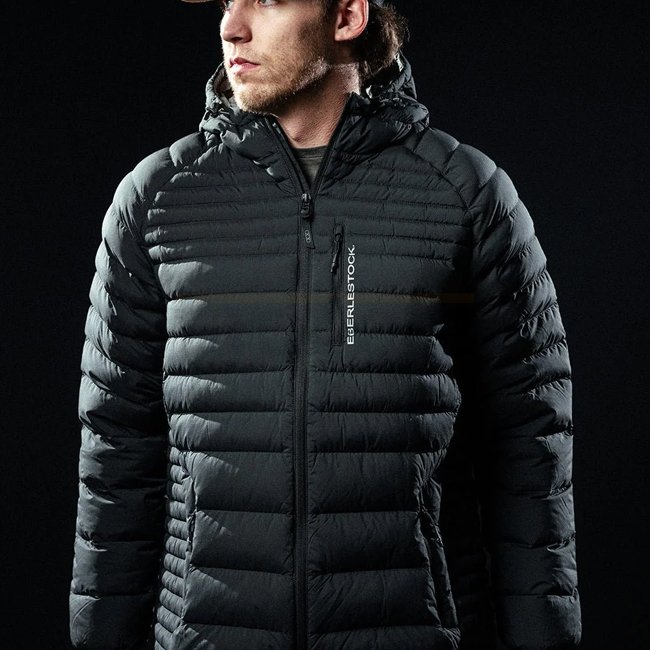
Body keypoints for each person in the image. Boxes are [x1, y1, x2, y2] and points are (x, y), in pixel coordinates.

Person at [68, 1, 582, 649]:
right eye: (228, 2)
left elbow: (528, 442)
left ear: (347, 17)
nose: (231, 27)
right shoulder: (159, 196)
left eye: (267, 0)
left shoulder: (464, 193)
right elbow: (116, 446)